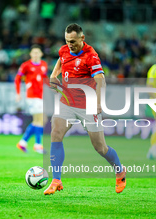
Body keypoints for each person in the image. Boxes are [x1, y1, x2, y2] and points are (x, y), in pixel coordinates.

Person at [44, 23, 126, 195]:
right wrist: (53, 75)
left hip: (88, 106)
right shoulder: (64, 50)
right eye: (67, 41)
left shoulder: (91, 56)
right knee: (56, 133)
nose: (69, 45)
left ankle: (119, 170)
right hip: (67, 102)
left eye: (73, 41)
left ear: (82, 38)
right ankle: (56, 180)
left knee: (100, 148)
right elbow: (61, 59)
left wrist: (98, 103)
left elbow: (101, 80)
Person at [15, 45, 48, 154]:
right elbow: (17, 78)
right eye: (33, 53)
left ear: (41, 54)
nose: (35, 54)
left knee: (39, 120)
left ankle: (23, 142)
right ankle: (37, 145)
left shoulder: (44, 65)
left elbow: (44, 79)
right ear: (31, 54)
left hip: (40, 95)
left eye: (37, 52)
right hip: (32, 95)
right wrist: (18, 93)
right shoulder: (26, 65)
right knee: (40, 119)